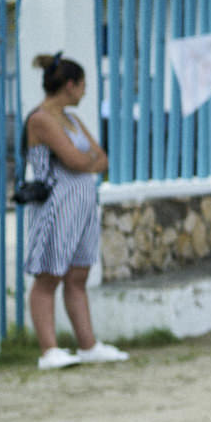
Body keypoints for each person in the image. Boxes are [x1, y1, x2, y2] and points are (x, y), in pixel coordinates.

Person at [21, 52, 126, 370]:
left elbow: (101, 158)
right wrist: (89, 162)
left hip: (81, 206)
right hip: (56, 206)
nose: (84, 91)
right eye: (82, 85)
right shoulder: (41, 119)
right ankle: (49, 349)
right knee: (48, 276)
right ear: (70, 85)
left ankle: (87, 344)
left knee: (77, 275)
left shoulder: (72, 119)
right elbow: (78, 160)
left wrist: (90, 161)